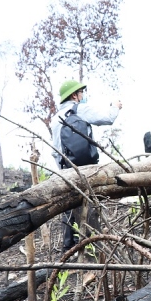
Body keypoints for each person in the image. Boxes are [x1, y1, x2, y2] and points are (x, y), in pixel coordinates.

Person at [52, 80, 122, 251]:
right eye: (81, 92)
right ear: (74, 95)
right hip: (84, 168)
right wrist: (115, 106)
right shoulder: (79, 109)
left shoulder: (55, 118)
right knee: (90, 204)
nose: (83, 95)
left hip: (64, 168)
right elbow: (107, 118)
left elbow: (55, 150)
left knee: (69, 207)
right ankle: (96, 247)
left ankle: (68, 248)